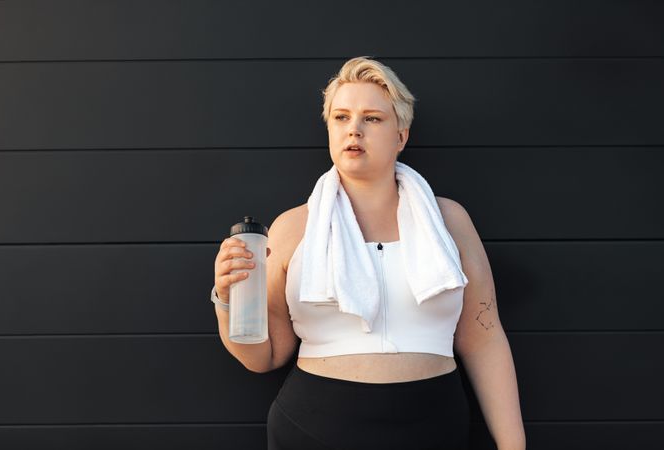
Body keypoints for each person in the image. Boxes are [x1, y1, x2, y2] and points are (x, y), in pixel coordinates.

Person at [212, 56, 526, 450]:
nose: (354, 129)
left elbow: (484, 339)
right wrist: (227, 299)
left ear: (401, 135)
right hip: (313, 430)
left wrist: (513, 444)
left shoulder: (450, 221)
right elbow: (264, 357)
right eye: (341, 117)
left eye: (372, 118)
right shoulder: (292, 228)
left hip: (433, 429)